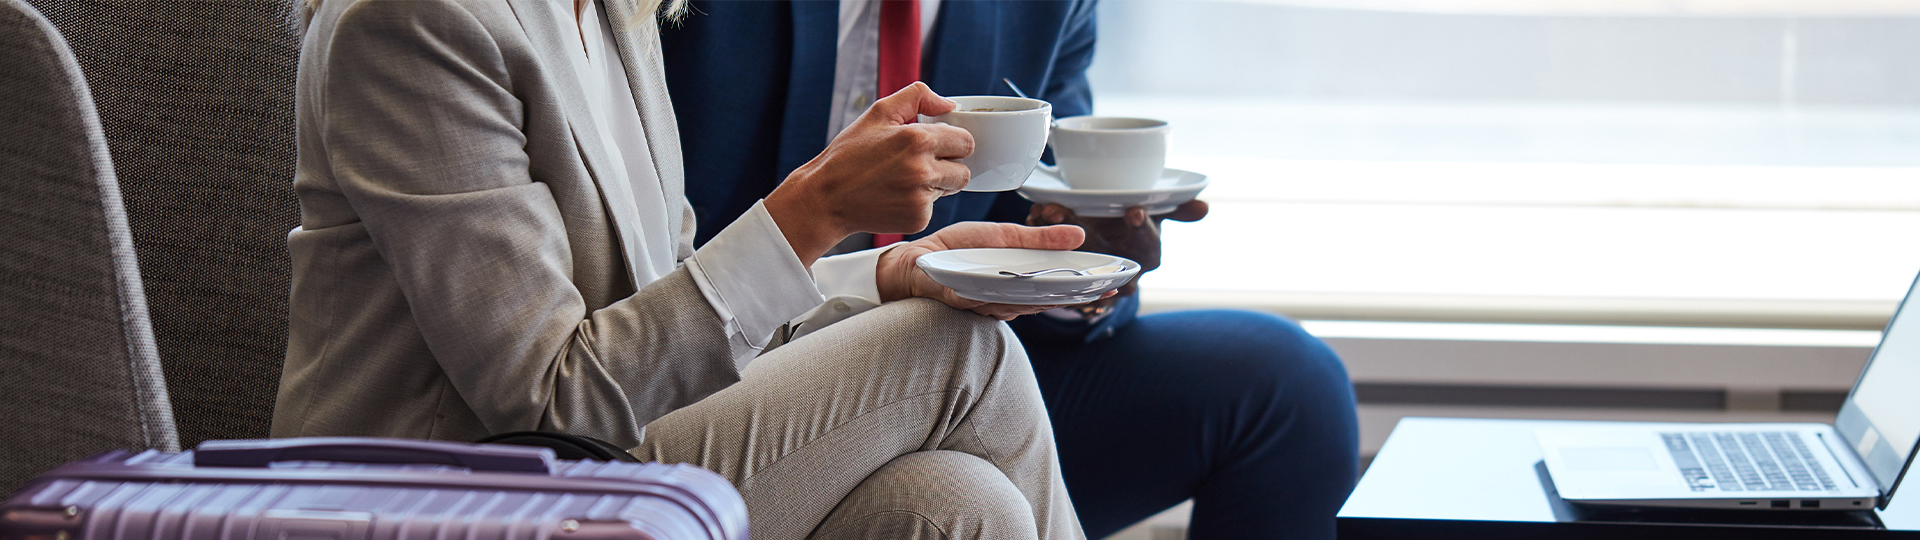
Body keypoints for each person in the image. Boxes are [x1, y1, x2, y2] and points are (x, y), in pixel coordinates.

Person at [275, 0, 1094, 538]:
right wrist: (814, 210)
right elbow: (552, 402)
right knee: (954, 349)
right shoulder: (417, 20)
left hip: (600, 462)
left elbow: (673, 304)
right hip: (462, 500)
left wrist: (883, 276)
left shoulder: (614, 13)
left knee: (956, 507)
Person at [660, 1, 1362, 538]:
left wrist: (1083, 264)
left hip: (953, 347)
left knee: (1290, 384)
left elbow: (1044, 205)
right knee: (948, 353)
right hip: (731, 361)